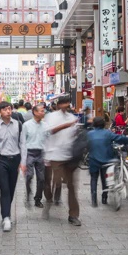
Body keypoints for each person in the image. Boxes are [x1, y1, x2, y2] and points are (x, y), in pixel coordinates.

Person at [42, 95, 81, 226]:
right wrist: (66, 126)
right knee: (56, 182)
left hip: (69, 156)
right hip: (54, 155)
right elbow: (49, 132)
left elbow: (75, 134)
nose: (66, 106)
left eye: (67, 104)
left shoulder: (72, 117)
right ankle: (48, 200)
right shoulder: (51, 117)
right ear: (58, 105)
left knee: (71, 186)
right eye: (63, 104)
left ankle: (73, 215)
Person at [87, 116, 128, 207]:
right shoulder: (107, 133)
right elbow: (120, 138)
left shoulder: (90, 134)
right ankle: (104, 197)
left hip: (93, 160)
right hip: (106, 160)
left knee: (93, 179)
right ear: (104, 124)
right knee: (105, 179)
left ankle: (94, 200)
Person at [0, 101, 26, 232]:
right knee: (5, 189)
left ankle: (6, 213)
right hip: (2, 160)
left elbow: (23, 144)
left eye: (9, 109)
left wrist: (23, 162)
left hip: (15, 159)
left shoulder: (18, 125)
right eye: (5, 109)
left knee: (11, 189)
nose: (8, 111)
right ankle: (6, 217)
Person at [21, 104, 47, 208]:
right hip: (29, 153)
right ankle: (28, 194)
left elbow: (49, 139)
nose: (43, 112)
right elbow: (22, 142)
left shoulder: (45, 125)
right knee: (29, 176)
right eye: (41, 111)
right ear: (35, 112)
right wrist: (22, 161)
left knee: (41, 178)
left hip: (40, 153)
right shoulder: (26, 125)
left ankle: (38, 199)